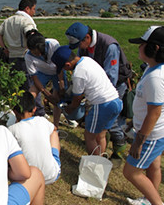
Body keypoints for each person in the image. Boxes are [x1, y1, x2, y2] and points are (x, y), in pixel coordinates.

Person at [65, 22, 131, 163]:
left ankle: (118, 149)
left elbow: (111, 77)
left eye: (78, 45)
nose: (77, 49)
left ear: (87, 38)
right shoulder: (84, 48)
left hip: (113, 86)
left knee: (112, 123)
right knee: (101, 129)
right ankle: (100, 148)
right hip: (98, 87)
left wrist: (94, 94)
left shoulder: (109, 46)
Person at [51, 46, 122, 155]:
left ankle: (94, 163)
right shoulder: (87, 60)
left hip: (102, 105)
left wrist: (69, 109)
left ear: (68, 65)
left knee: (89, 136)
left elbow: (77, 99)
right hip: (116, 101)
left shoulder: (78, 73)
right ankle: (100, 160)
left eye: (63, 68)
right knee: (101, 135)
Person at [123, 26, 164, 205]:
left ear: (154, 48)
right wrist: (134, 121)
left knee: (131, 172)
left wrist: (138, 142)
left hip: (151, 134)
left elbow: (154, 112)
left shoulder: (156, 77)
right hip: (154, 131)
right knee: (154, 165)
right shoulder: (152, 67)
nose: (139, 48)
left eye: (142, 44)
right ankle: (149, 199)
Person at [8, 91, 61, 185]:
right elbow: (54, 128)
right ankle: (54, 158)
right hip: (52, 175)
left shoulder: (12, 130)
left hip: (27, 179)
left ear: (14, 111)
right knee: (54, 133)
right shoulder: (42, 120)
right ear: (34, 109)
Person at [0, 0, 37, 91]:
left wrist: (4, 48)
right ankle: (35, 106)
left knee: (17, 86)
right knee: (30, 85)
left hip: (12, 56)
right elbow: (30, 34)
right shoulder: (26, 21)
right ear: (27, 8)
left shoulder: (8, 20)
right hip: (25, 56)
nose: (34, 12)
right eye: (33, 9)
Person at [25, 29, 65, 128]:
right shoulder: (28, 56)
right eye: (33, 52)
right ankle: (25, 120)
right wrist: (45, 92)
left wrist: (61, 83)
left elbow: (59, 66)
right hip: (42, 72)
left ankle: (55, 126)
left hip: (57, 71)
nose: (35, 54)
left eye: (37, 52)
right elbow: (34, 77)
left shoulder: (53, 44)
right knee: (30, 94)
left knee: (57, 98)